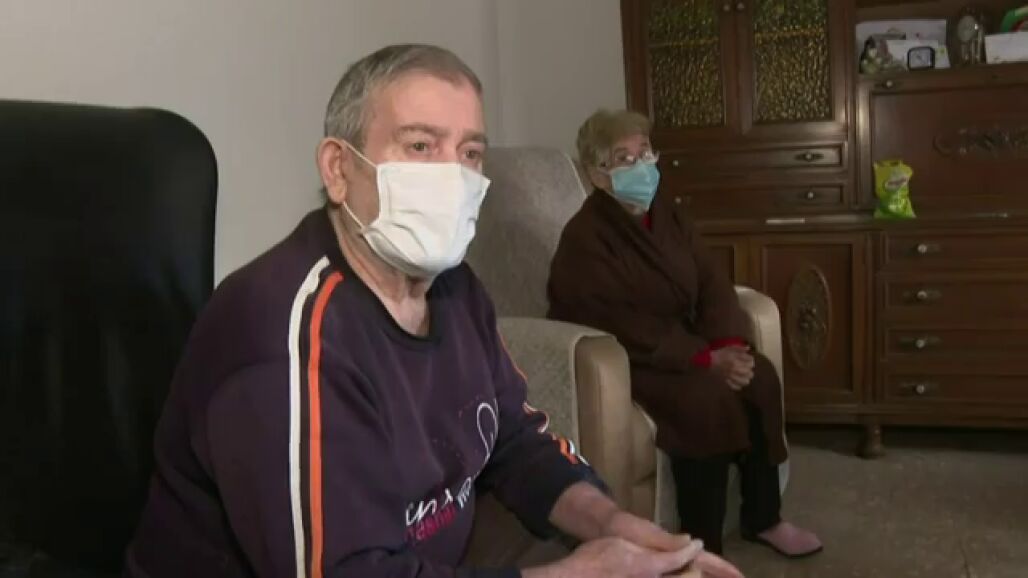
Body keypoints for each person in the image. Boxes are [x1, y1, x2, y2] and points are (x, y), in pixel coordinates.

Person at [125, 46, 744, 578]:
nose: (453, 176)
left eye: (470, 152)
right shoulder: (283, 333)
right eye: (420, 145)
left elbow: (513, 439)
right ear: (339, 169)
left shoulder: (456, 289)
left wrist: (611, 524)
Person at [547, 109, 823, 559]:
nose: (641, 166)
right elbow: (614, 320)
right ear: (598, 175)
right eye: (624, 158)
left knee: (759, 377)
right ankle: (702, 547)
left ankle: (764, 518)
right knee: (705, 401)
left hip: (689, 341)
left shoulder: (667, 214)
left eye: (645, 152)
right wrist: (703, 360)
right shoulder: (585, 238)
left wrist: (727, 344)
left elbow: (711, 280)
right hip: (634, 356)